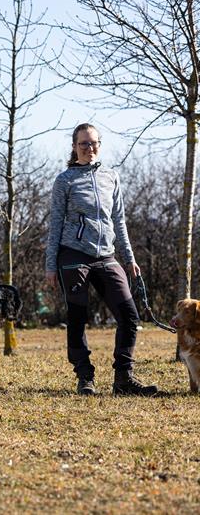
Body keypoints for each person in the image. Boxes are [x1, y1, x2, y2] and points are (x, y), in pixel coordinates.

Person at [45, 123, 157, 396]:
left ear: (99, 144)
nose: (89, 148)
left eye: (93, 142)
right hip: (73, 254)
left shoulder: (110, 176)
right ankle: (85, 376)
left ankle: (123, 379)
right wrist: (50, 265)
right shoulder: (65, 180)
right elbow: (55, 224)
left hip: (105, 254)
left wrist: (129, 258)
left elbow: (119, 220)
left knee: (129, 316)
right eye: (83, 143)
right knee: (77, 316)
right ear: (74, 147)